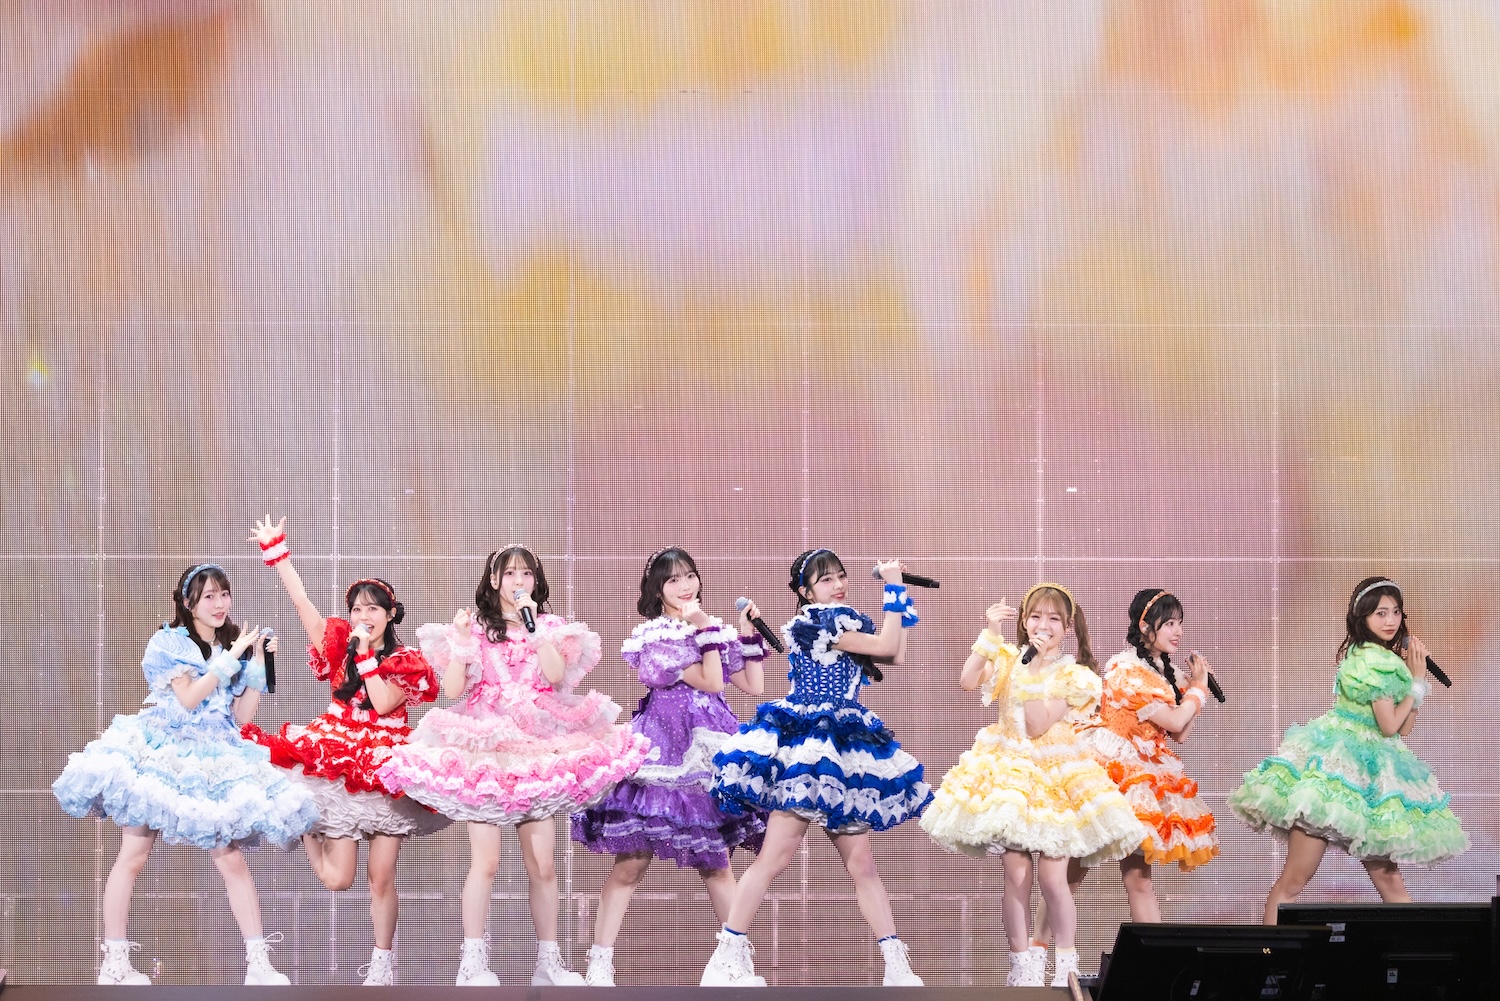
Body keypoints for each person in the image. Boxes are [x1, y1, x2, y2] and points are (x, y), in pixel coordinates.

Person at [378, 545, 650, 986]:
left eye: (526, 573)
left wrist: (534, 627)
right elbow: (452, 690)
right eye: (510, 573)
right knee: (485, 862)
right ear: (493, 580)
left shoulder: (549, 626)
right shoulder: (474, 629)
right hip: (486, 748)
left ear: (536, 581)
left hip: (536, 747)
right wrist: (462, 641)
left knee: (542, 864)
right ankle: (472, 963)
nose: (519, 581)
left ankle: (548, 963)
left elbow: (556, 676)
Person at [53, 563, 316, 985]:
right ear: (188, 602)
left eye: (224, 594)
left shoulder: (231, 644)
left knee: (230, 858)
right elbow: (189, 699)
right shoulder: (169, 642)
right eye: (209, 596)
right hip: (164, 751)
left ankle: (258, 964)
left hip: (214, 755)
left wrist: (257, 663)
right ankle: (114, 964)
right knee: (134, 855)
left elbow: (240, 717)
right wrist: (230, 658)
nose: (219, 603)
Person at [703, 550, 932, 987]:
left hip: (843, 748)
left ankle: (896, 967)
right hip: (809, 752)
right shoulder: (817, 623)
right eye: (826, 580)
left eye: (840, 576)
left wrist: (897, 593)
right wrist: (893, 586)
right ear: (806, 593)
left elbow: (895, 654)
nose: (838, 584)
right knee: (774, 858)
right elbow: (886, 646)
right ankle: (725, 957)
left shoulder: (845, 622)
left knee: (862, 865)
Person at [245, 517, 449, 985]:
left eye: (373, 608)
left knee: (382, 875)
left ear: (391, 614)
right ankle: (305, 824)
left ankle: (382, 964)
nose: (363, 615)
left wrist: (365, 657)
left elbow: (383, 703)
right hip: (335, 758)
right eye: (357, 609)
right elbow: (304, 606)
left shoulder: (406, 662)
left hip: (385, 766)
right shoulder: (341, 647)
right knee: (337, 880)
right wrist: (278, 554)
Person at [919, 584, 1144, 988]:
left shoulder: (1076, 675)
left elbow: (1038, 725)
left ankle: (1065, 964)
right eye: (1036, 616)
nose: (1044, 625)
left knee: (1053, 879)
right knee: (1017, 876)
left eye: (1054, 618)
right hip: (1010, 774)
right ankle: (1022, 966)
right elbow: (967, 680)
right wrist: (991, 633)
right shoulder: (1010, 659)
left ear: (1067, 626)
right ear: (1024, 621)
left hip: (1056, 776)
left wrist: (1032, 671)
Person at [572, 547, 769, 986]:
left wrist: (745, 635)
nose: (685, 586)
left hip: (709, 750)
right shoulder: (654, 637)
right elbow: (711, 680)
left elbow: (752, 685)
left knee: (716, 861)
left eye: (690, 576)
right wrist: (705, 630)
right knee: (632, 860)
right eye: (674, 579)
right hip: (662, 751)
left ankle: (736, 965)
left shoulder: (709, 629)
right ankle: (599, 964)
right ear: (657, 590)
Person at [1229, 577, 1468, 924]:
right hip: (1338, 775)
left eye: (1396, 612)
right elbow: (1389, 725)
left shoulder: (1387, 660)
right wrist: (1416, 682)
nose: (1390, 621)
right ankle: (1268, 952)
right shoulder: (1371, 660)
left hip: (1371, 779)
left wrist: (1415, 684)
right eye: (1380, 613)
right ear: (1362, 617)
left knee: (1388, 882)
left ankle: (1414, 954)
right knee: (1295, 881)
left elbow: (1402, 729)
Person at [1030, 588, 1219, 967]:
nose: (1178, 632)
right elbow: (1176, 720)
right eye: (1169, 623)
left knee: (1139, 878)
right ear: (1145, 626)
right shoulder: (1126, 668)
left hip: (1144, 773)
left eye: (1180, 623)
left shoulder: (1163, 671)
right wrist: (1197, 690)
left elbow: (1180, 733)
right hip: (1109, 768)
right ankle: (1036, 957)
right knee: (1072, 870)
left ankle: (1156, 967)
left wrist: (1192, 689)